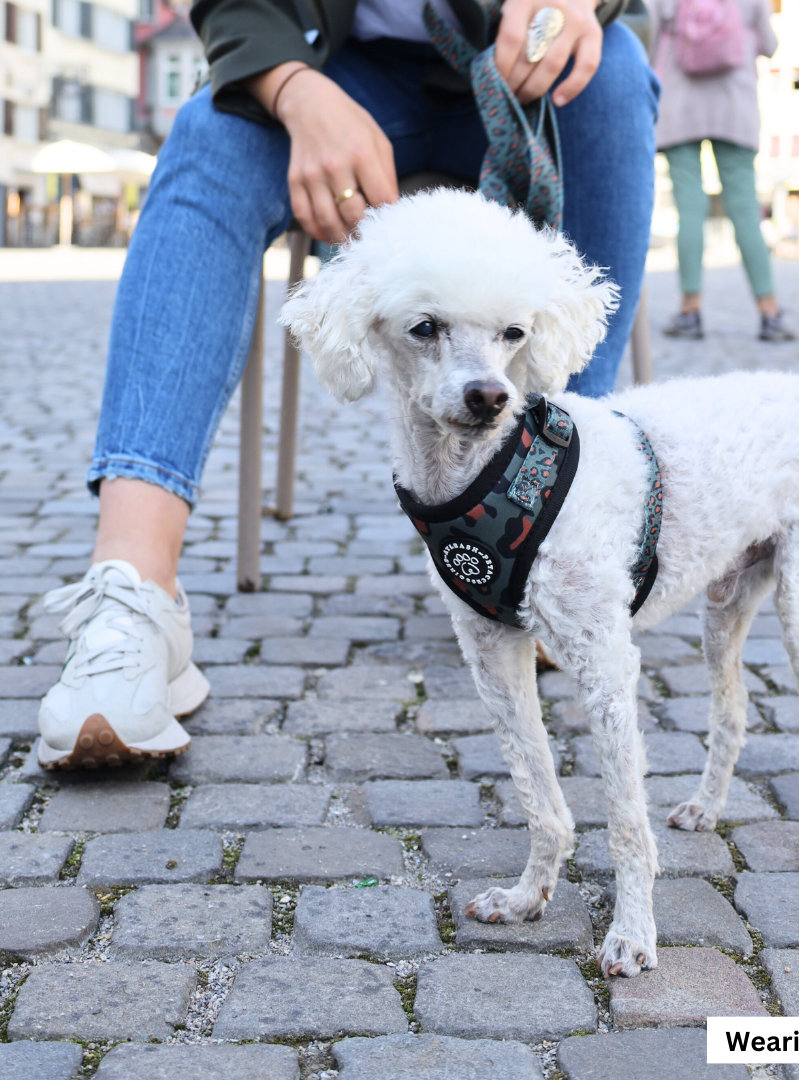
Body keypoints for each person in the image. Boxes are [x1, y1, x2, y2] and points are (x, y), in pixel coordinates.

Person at [35, 0, 661, 770]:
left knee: (616, 71)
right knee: (206, 133)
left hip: (522, 68)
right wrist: (292, 86)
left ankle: (560, 532)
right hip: (335, 70)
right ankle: (132, 594)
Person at [649, 0, 794, 342]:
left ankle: (690, 310)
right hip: (736, 106)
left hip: (680, 107)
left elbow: (649, 38)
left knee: (689, 208)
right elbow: (771, 46)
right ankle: (769, 312)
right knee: (745, 209)